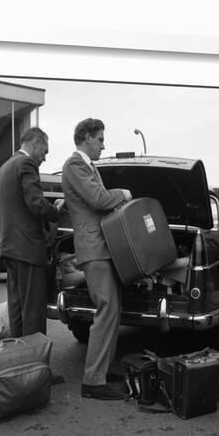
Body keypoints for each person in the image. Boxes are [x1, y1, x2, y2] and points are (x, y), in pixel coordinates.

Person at [62, 118, 132, 400]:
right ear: (87, 137)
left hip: (102, 247)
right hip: (94, 248)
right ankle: (93, 380)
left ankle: (102, 370)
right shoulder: (75, 165)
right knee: (106, 308)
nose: (104, 145)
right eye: (100, 139)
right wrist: (124, 194)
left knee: (113, 309)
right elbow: (99, 200)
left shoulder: (85, 167)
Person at [0, 127, 63, 338]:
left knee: (17, 309)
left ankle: (19, 362)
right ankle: (36, 366)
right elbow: (36, 205)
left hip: (10, 248)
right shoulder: (26, 164)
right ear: (36, 143)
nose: (44, 157)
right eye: (45, 151)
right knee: (33, 312)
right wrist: (56, 211)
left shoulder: (5, 167)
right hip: (28, 249)